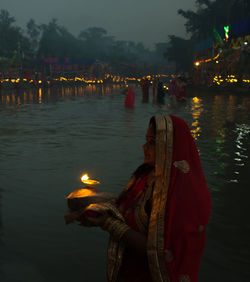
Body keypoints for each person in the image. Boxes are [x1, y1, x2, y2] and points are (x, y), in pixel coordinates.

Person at [76, 115, 211, 282]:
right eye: (146, 140)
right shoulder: (146, 174)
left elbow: (160, 252)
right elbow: (128, 205)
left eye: (152, 142)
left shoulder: (184, 194)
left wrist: (108, 223)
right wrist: (98, 206)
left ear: (170, 146)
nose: (144, 147)